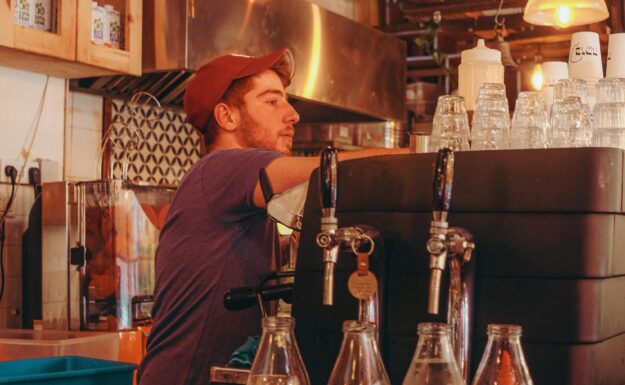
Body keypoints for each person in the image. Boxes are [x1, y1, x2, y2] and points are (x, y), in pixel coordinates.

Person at [138, 48, 407, 385]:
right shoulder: (222, 167)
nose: (292, 115)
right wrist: (424, 154)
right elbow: (328, 171)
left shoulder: (237, 194)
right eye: (272, 101)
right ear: (227, 117)